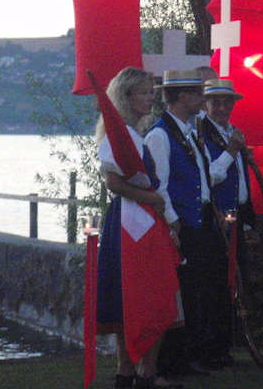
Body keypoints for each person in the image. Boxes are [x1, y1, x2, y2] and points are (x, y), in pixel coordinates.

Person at [95, 66, 183, 389]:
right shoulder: (119, 135)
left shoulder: (133, 134)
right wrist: (152, 198)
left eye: (151, 92)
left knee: (146, 293)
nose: (150, 98)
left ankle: (141, 370)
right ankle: (132, 370)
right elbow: (113, 183)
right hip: (131, 222)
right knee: (138, 293)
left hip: (141, 219)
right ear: (127, 96)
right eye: (144, 93)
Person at [144, 69, 224, 376]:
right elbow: (159, 186)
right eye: (197, 93)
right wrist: (174, 223)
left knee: (197, 290)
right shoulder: (160, 135)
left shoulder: (188, 132)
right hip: (182, 224)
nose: (202, 99)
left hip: (198, 220)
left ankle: (190, 355)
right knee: (182, 292)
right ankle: (172, 360)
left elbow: (201, 177)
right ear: (181, 96)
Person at [196, 78, 254, 365]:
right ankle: (210, 348)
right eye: (215, 102)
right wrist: (231, 152)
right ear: (206, 105)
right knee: (214, 282)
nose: (221, 108)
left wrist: (248, 220)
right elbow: (209, 176)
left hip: (235, 217)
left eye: (225, 102)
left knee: (231, 280)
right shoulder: (202, 134)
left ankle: (224, 344)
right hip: (215, 218)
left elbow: (240, 179)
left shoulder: (232, 132)